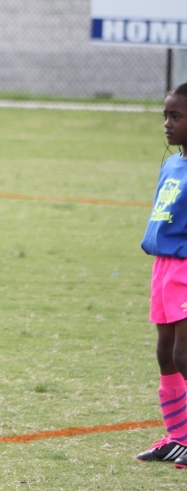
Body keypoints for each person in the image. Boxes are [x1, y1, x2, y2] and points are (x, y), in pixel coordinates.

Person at [137, 82, 187, 467]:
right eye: (165, 116)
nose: (167, 123)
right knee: (165, 353)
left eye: (176, 116)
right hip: (163, 267)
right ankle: (179, 439)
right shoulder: (171, 164)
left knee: (184, 354)